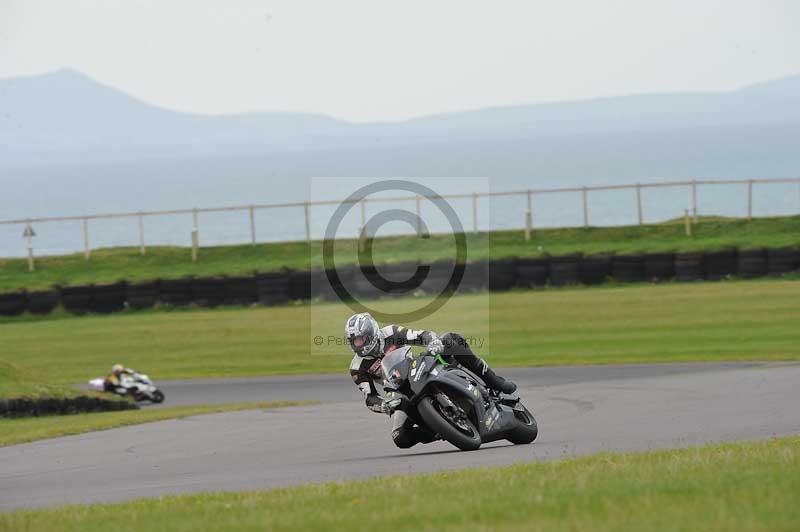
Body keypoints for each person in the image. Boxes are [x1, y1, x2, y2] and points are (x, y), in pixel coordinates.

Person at [345, 312, 517, 448]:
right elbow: (370, 398)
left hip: (418, 366)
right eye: (354, 341)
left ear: (372, 333)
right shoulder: (357, 367)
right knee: (400, 438)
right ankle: (439, 429)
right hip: (399, 392)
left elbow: (422, 335)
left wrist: (433, 342)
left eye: (361, 339)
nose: (358, 345)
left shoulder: (390, 333)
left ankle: (495, 381)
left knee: (452, 340)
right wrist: (383, 405)